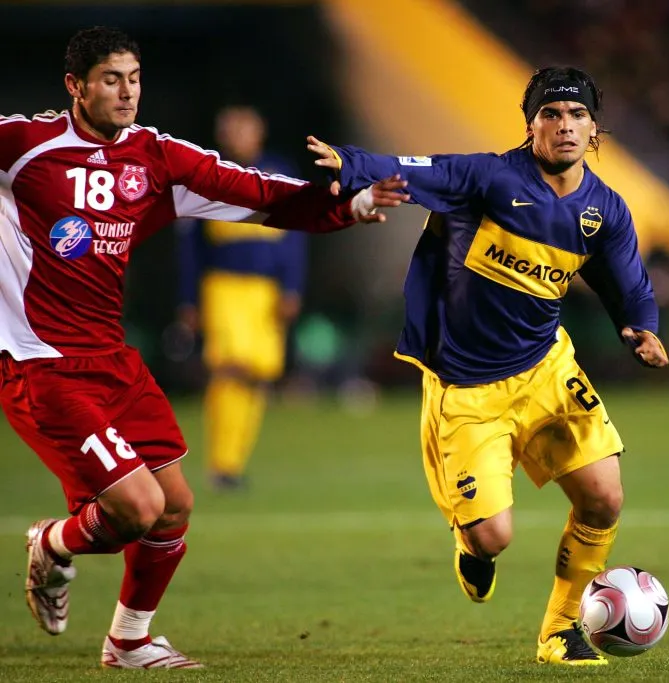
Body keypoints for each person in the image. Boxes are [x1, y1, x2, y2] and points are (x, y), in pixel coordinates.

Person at [0, 26, 405, 668]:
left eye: (135, 78)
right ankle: (52, 543)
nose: (128, 92)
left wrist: (348, 205)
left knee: (175, 507)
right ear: (75, 86)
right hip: (41, 364)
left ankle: (128, 640)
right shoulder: (22, 146)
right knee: (137, 508)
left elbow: (260, 193)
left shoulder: (156, 158)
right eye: (111, 79)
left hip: (112, 360)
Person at [308, 65, 669, 666]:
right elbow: (416, 169)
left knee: (604, 498)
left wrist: (643, 326)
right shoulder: (490, 178)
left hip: (546, 369)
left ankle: (560, 632)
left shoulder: (604, 209)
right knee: (493, 536)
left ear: (594, 128)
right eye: (551, 114)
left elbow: (630, 283)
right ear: (530, 125)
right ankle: (473, 548)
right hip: (468, 388)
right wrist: (350, 163)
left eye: (577, 115)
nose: (565, 125)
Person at [176, 105, 306, 491]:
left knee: (259, 374)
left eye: (245, 129)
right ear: (222, 136)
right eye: (231, 130)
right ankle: (221, 464)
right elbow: (190, 247)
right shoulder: (206, 175)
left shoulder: (280, 173)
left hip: (266, 291)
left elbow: (297, 234)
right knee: (230, 369)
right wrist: (189, 299)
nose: (239, 136)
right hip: (224, 286)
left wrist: (292, 287)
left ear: (259, 132)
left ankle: (233, 464)